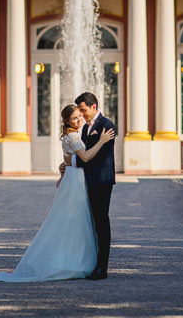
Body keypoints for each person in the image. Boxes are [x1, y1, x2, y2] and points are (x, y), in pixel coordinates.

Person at [0, 103, 115, 282]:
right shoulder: (73, 136)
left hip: (74, 180)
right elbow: (86, 157)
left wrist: (66, 165)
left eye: (79, 116)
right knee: (75, 221)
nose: (79, 119)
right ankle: (73, 263)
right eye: (74, 117)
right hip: (75, 182)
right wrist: (102, 141)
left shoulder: (73, 134)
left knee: (75, 222)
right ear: (66, 121)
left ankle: (76, 261)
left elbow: (73, 159)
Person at [74, 91, 115, 280]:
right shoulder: (84, 128)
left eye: (83, 110)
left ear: (94, 107)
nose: (81, 115)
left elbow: (100, 157)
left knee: (101, 222)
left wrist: (84, 159)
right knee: (91, 223)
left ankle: (102, 268)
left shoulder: (107, 125)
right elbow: (85, 157)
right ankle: (93, 264)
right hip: (87, 181)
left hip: (101, 181)